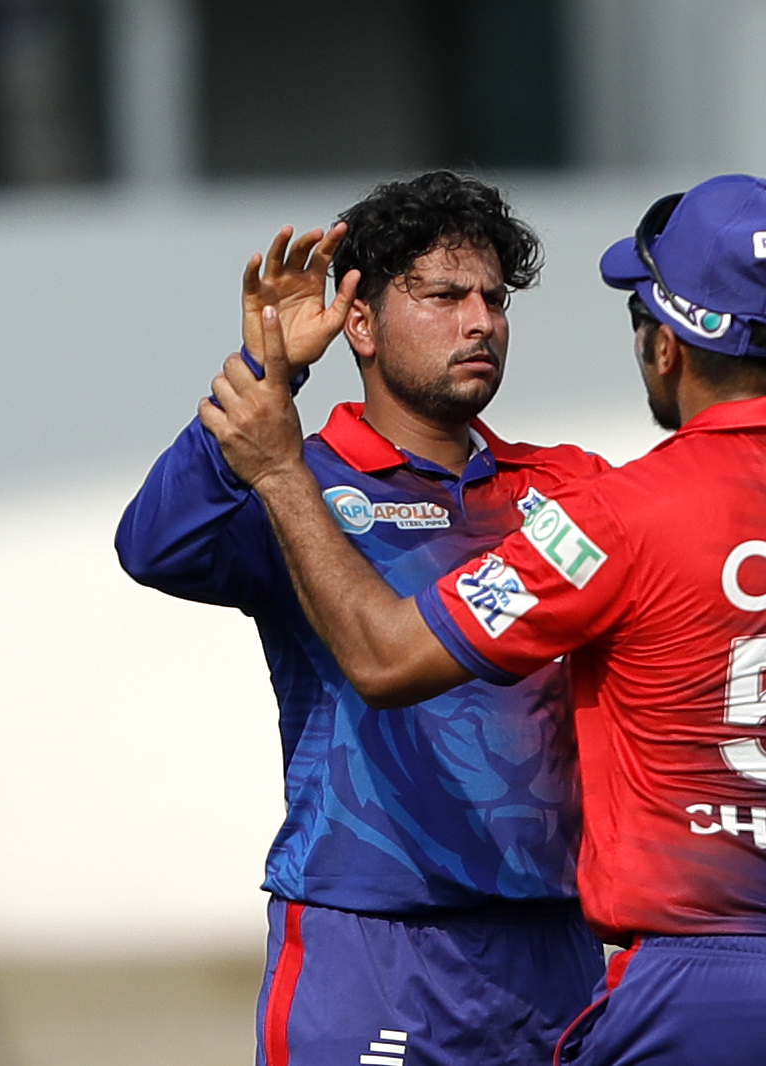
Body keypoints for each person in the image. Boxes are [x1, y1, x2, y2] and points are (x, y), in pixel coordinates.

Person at [203, 174, 766, 1066]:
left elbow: (387, 657)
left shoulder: (614, 515)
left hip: (713, 995)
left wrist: (280, 472)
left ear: (665, 349)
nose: (480, 319)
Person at [114, 171, 609, 1066]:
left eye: (494, 300)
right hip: (371, 941)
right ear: (362, 325)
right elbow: (154, 546)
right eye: (444, 295)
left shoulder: (565, 488)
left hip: (556, 944)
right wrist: (273, 372)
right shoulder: (298, 480)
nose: (480, 322)